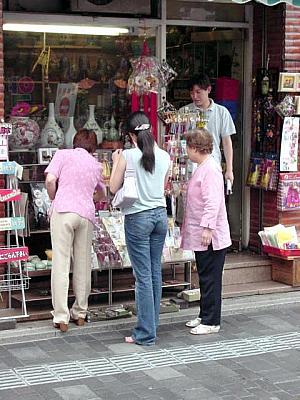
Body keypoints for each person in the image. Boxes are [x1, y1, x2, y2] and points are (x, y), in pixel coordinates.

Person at [110, 111, 170, 346]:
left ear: (130, 135)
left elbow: (114, 187)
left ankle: (145, 333)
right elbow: (163, 186)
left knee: (143, 276)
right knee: (154, 272)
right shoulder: (164, 156)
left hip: (138, 218)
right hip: (159, 217)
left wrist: (116, 162)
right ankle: (151, 325)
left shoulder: (127, 155)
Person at [45, 129, 106, 332]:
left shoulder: (62, 155)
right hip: (86, 214)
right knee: (82, 263)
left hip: (63, 210)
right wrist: (89, 199)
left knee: (61, 263)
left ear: (75, 142)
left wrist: (54, 197)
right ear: (93, 146)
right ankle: (80, 313)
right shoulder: (95, 164)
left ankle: (61, 316)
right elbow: (101, 193)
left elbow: (50, 180)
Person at [181, 128, 231, 335]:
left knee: (210, 277)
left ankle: (211, 321)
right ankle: (205, 314)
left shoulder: (210, 169)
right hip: (202, 231)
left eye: (188, 148)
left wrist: (208, 228)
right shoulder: (203, 167)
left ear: (195, 148)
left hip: (211, 235)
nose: (187, 152)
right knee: (204, 276)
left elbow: (213, 201)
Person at [180, 73, 236, 184]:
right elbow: (178, 140)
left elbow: (226, 142)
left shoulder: (222, 112)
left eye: (198, 92)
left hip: (212, 166)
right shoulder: (183, 112)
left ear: (208, 89)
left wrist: (229, 169)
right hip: (189, 169)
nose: (195, 97)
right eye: (192, 93)